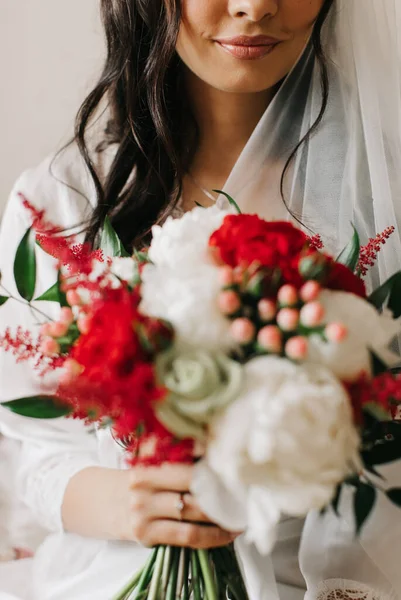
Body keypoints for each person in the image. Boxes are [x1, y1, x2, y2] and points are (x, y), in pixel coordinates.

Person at [0, 1, 400, 598]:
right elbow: (35, 442)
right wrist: (126, 504)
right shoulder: (64, 203)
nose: (255, 5)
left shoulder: (380, 203)